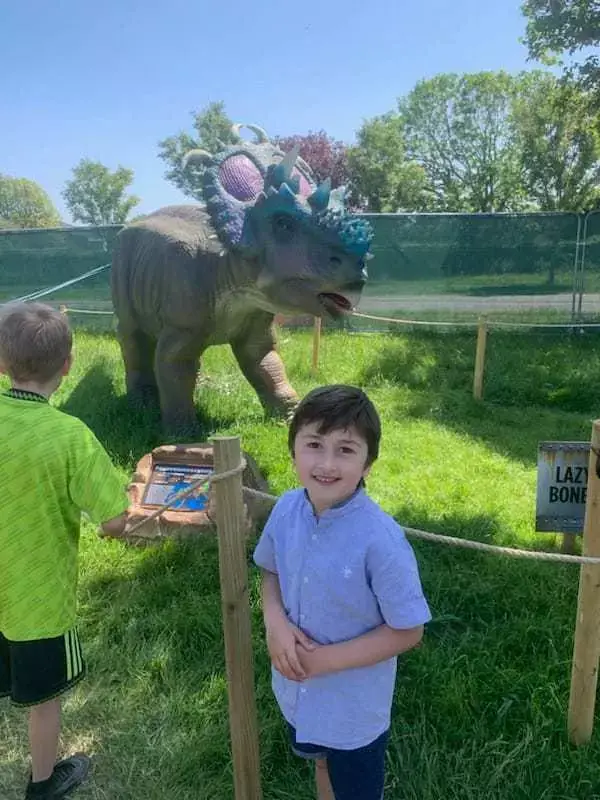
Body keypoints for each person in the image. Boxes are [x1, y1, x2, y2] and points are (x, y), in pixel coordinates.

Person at [253, 384, 431, 800]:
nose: (327, 464)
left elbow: (408, 630)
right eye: (314, 444)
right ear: (293, 450)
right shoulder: (284, 510)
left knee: (355, 788)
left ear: (369, 462)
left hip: (353, 711)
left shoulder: (380, 540)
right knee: (320, 764)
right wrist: (274, 623)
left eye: (346, 450)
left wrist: (323, 662)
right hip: (297, 692)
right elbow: (269, 569)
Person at [0, 302, 130, 799]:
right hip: (39, 602)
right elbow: (115, 520)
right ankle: (42, 783)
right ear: (69, 365)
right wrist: (113, 526)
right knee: (44, 699)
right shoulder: (71, 436)